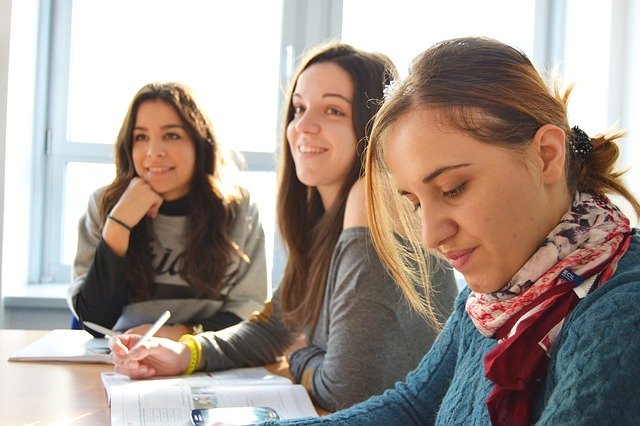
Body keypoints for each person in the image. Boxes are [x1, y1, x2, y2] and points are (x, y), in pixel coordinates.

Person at [272, 36, 640, 425]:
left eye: (453, 189)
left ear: (546, 155)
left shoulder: (620, 314)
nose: (431, 235)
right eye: (415, 202)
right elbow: (413, 405)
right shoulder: (494, 298)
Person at [108, 42, 458, 412]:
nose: (303, 126)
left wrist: (300, 356)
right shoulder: (322, 220)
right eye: (299, 108)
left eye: (333, 110)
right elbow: (276, 327)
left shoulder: (372, 196)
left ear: (372, 126)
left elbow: (345, 390)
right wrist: (185, 354)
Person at [68, 82, 268, 341]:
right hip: (119, 360)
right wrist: (118, 224)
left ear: (200, 143)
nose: (154, 152)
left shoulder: (239, 209)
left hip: (209, 360)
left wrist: (180, 334)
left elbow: (249, 313)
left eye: (171, 135)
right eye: (140, 137)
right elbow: (95, 322)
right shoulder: (104, 204)